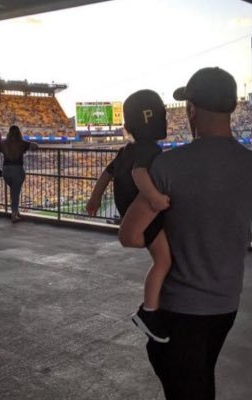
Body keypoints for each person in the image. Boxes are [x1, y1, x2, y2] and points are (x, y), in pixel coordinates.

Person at [119, 67, 252, 400]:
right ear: (231, 107)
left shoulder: (169, 166)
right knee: (201, 378)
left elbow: (129, 235)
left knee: (183, 385)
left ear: (191, 109)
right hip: (226, 302)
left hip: (180, 307)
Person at [86, 89, 171, 343]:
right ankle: (149, 311)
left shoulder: (125, 150)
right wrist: (155, 199)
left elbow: (106, 174)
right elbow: (139, 174)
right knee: (164, 261)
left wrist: (95, 198)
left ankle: (152, 307)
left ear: (127, 126)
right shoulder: (150, 149)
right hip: (144, 214)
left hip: (127, 210)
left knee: (161, 259)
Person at [1, 125, 38, 223]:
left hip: (5, 169)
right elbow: (34, 146)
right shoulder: (22, 143)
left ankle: (16, 211)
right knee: (15, 193)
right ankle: (14, 214)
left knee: (13, 192)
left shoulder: (3, 143)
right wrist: (32, 143)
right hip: (17, 169)